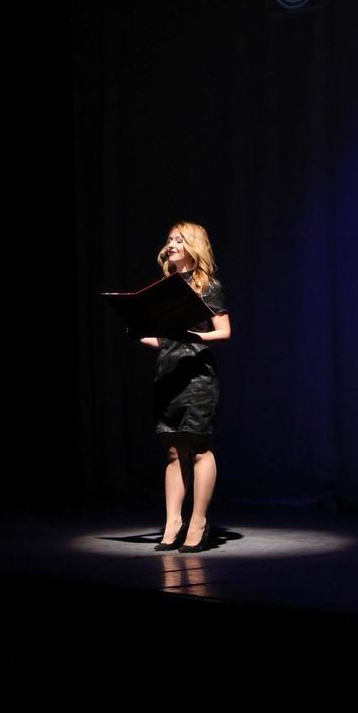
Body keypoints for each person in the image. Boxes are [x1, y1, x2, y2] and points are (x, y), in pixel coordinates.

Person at [139, 222, 231, 553]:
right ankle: (173, 523)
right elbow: (165, 341)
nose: (171, 245)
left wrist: (194, 336)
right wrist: (137, 330)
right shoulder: (165, 288)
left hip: (196, 377)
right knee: (172, 451)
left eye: (179, 240)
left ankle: (198, 522)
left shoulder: (207, 285)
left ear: (194, 246)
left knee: (198, 448)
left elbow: (224, 331)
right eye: (169, 240)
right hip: (168, 375)